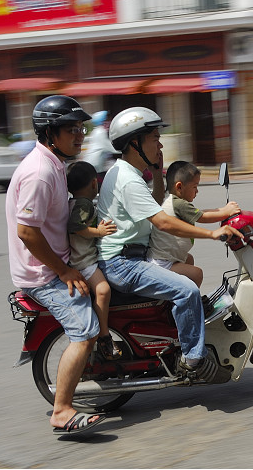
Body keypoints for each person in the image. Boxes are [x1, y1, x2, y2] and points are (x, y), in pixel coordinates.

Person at [96, 107, 243, 384]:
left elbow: (155, 205)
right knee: (187, 289)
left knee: (187, 265)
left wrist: (154, 171)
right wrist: (212, 234)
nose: (160, 143)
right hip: (123, 263)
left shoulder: (128, 174)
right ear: (134, 143)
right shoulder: (128, 180)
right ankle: (194, 361)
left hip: (128, 257)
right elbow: (163, 221)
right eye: (154, 137)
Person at [5, 95, 105, 435]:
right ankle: (61, 410)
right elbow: (26, 233)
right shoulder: (39, 172)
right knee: (86, 331)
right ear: (50, 133)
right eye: (71, 129)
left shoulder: (52, 164)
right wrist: (63, 271)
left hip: (56, 262)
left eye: (81, 129)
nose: (79, 135)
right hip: (44, 274)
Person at [148, 160, 240, 288]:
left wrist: (224, 210)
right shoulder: (178, 204)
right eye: (194, 187)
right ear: (179, 187)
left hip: (165, 258)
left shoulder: (176, 202)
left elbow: (200, 213)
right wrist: (226, 212)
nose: (197, 191)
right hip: (162, 263)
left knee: (189, 259)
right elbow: (202, 217)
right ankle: (190, 302)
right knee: (196, 273)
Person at [66, 160, 121, 360]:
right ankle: (104, 334)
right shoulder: (83, 204)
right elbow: (75, 226)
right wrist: (98, 231)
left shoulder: (75, 202)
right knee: (103, 290)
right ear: (94, 184)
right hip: (84, 262)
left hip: (82, 259)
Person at [81, 110, 117, 177]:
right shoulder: (100, 132)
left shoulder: (97, 131)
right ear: (102, 122)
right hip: (94, 167)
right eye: (107, 119)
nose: (110, 121)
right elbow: (113, 148)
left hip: (97, 166)